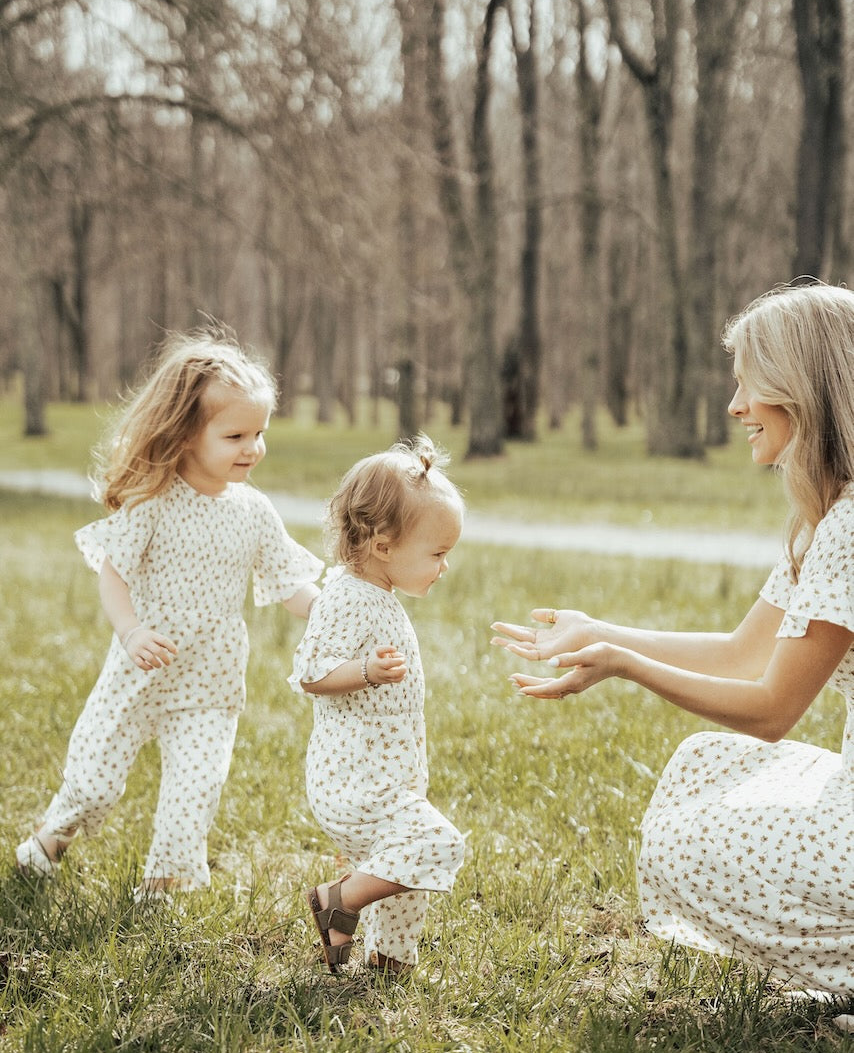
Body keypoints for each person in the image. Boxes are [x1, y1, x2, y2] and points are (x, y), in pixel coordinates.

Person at [491, 283, 854, 997]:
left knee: (678, 843)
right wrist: (600, 632)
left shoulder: (846, 529)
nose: (735, 405)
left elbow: (773, 709)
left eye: (749, 381)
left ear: (801, 388)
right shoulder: (827, 521)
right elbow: (740, 653)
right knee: (704, 763)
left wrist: (626, 665)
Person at [16, 328, 323, 895]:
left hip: (210, 678)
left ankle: (165, 883)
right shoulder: (155, 499)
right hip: (140, 670)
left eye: (260, 433)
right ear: (185, 436)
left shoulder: (254, 511)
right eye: (235, 435)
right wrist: (130, 633)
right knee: (94, 784)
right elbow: (114, 575)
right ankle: (50, 836)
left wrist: (332, 613)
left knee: (196, 788)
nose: (252, 447)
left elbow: (290, 585)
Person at [291, 435, 466, 977]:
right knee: (437, 842)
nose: (444, 566)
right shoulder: (346, 598)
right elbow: (311, 673)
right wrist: (365, 672)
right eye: (436, 553)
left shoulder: (375, 594)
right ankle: (339, 901)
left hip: (386, 776)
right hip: (356, 782)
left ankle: (389, 959)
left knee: (403, 869)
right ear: (383, 545)